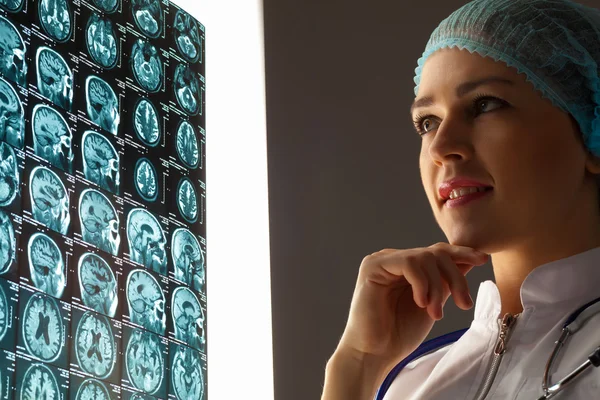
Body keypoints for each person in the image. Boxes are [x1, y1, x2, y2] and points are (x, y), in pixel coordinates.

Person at [320, 0, 600, 399]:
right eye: (428, 122)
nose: (441, 147)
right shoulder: (409, 383)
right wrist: (357, 362)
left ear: (593, 135)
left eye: (485, 104)